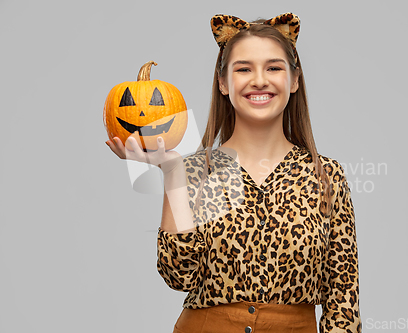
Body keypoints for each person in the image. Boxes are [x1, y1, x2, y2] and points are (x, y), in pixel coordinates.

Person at [106, 12, 361, 333]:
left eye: (274, 67)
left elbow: (344, 298)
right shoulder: (194, 171)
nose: (259, 80)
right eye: (243, 69)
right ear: (223, 82)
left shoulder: (327, 175)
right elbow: (178, 275)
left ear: (295, 80)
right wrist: (172, 173)